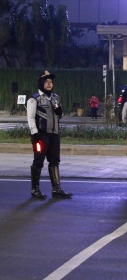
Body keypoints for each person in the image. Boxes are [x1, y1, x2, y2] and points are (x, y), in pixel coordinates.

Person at [27, 70, 73, 199]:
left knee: (54, 161)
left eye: (51, 82)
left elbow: (59, 116)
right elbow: (30, 117)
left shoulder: (55, 97)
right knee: (38, 161)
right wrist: (34, 133)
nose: (49, 84)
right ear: (41, 83)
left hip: (54, 134)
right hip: (40, 135)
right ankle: (35, 189)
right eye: (46, 81)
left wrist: (60, 111)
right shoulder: (34, 99)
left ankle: (56, 189)